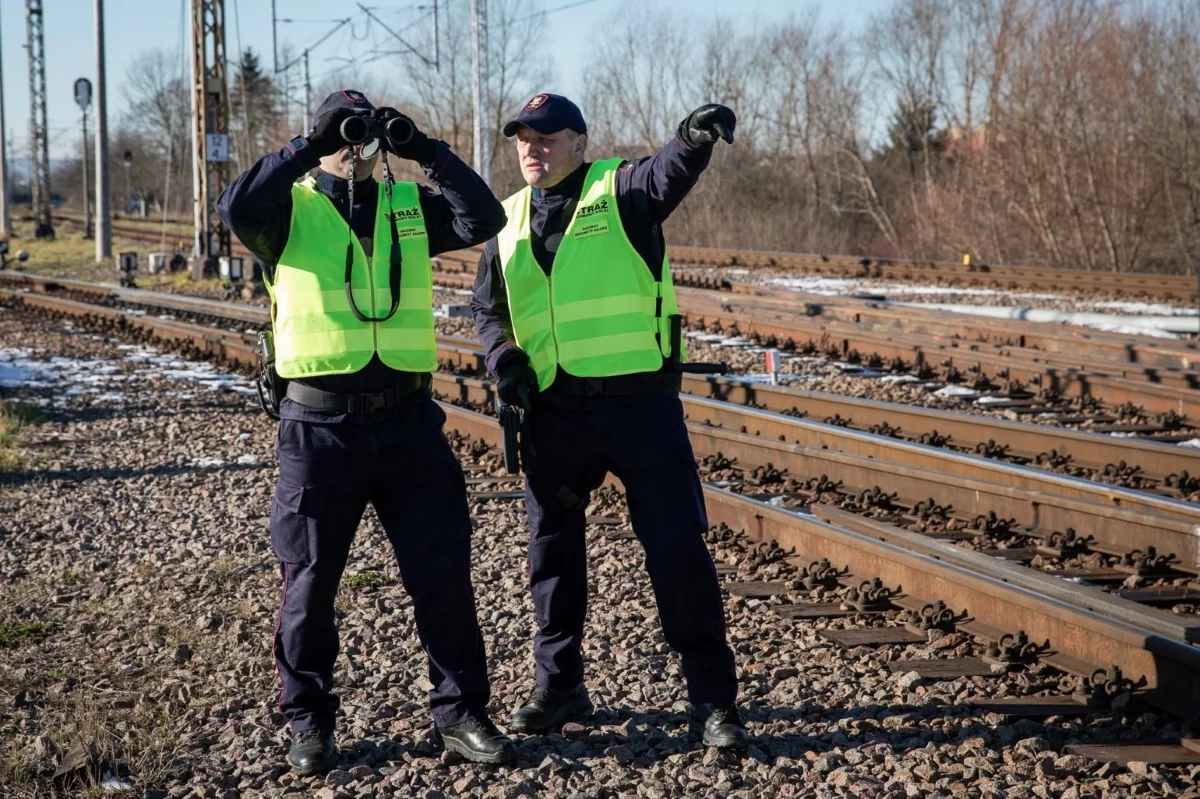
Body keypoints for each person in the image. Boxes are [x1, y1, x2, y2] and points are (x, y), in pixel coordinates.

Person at [218, 89, 515, 773]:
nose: (355, 144)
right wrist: (304, 145)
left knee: (442, 574)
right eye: (343, 133)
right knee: (310, 583)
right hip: (319, 426)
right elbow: (235, 206)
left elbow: (484, 216)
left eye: (364, 134)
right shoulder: (288, 212)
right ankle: (309, 720)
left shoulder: (408, 206)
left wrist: (425, 152)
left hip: (409, 422)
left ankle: (462, 712)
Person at [470, 93, 747, 750]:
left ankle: (713, 700)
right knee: (551, 556)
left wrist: (692, 138)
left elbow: (666, 173)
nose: (532, 147)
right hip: (556, 411)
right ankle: (560, 683)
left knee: (677, 549)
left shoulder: (618, 190)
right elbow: (488, 311)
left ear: (579, 143)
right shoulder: (504, 220)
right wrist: (504, 358)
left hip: (638, 406)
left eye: (547, 136)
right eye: (523, 138)